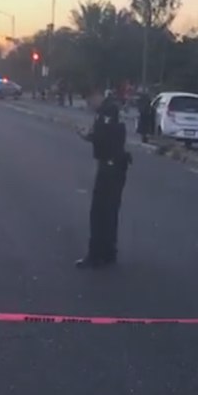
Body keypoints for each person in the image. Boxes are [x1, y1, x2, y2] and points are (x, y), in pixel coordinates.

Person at [76, 93, 132, 269]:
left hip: (110, 166)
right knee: (110, 212)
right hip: (116, 165)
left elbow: (104, 138)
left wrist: (87, 135)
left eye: (90, 100)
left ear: (97, 95)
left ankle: (96, 255)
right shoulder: (113, 109)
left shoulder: (108, 111)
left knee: (100, 212)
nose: (89, 104)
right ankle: (108, 252)